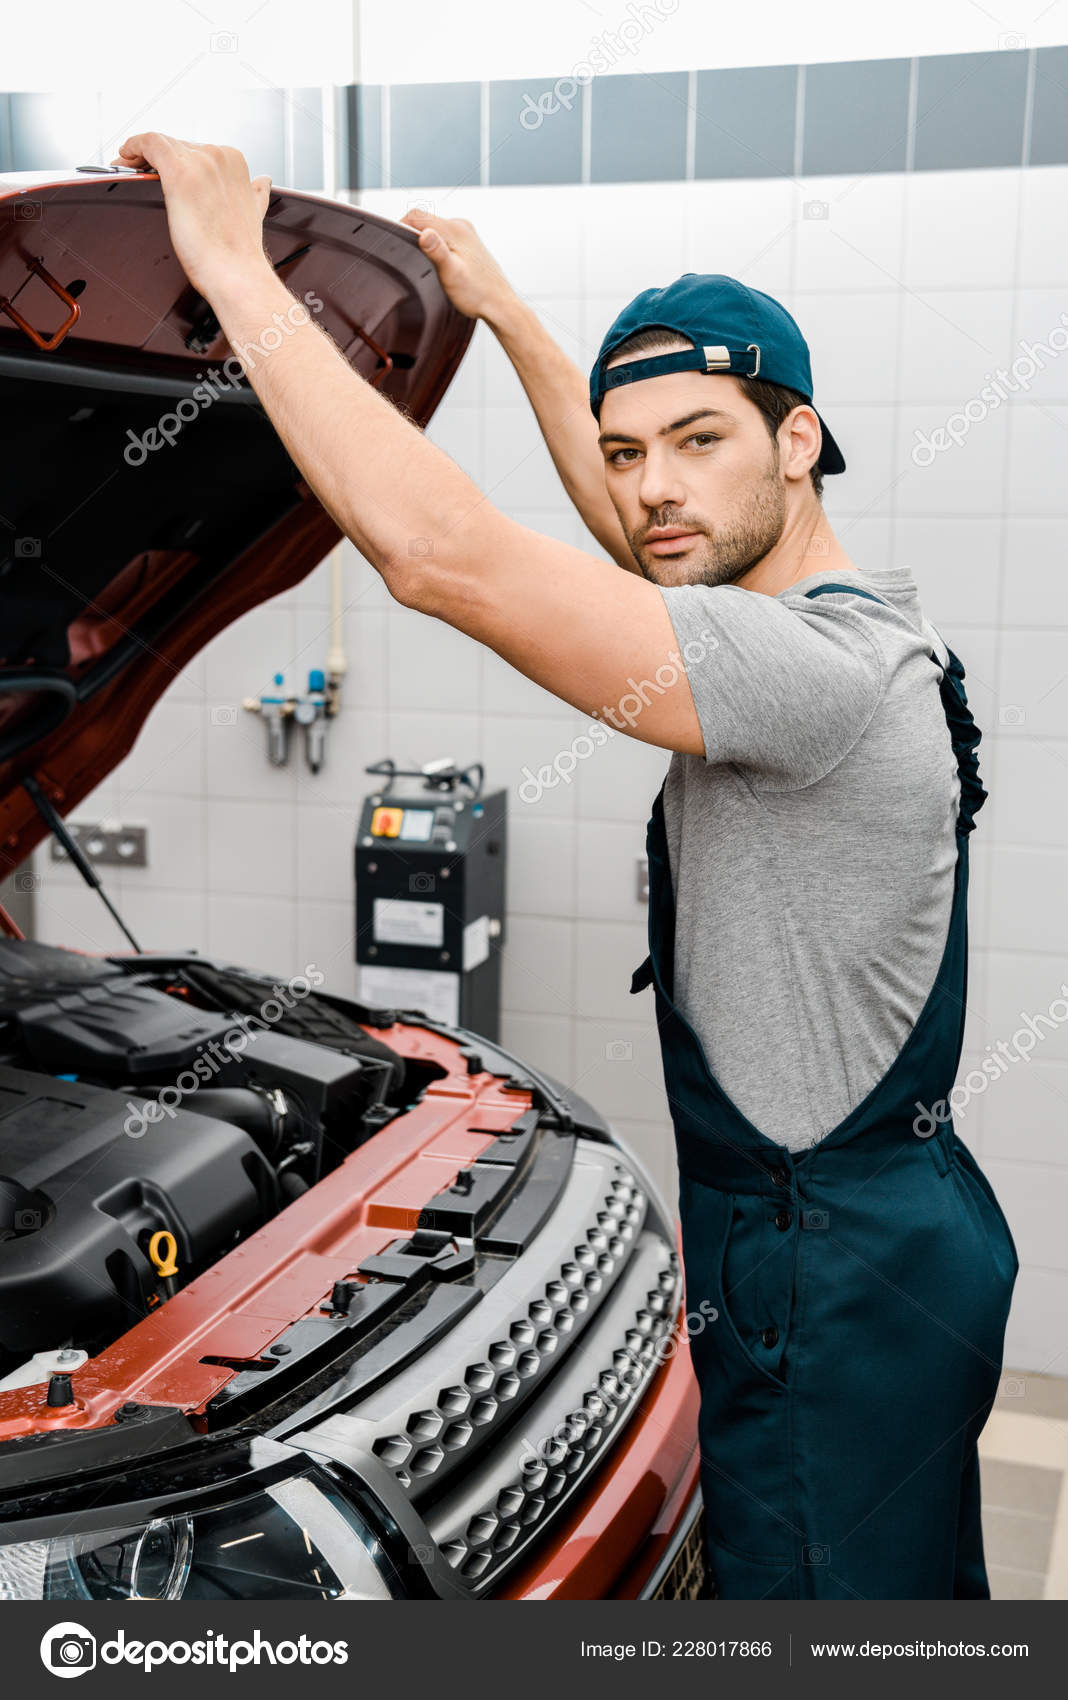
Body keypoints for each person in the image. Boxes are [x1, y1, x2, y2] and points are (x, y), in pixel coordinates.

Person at [113, 134, 1019, 1600]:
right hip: (888, 1234)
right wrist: (515, 316)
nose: (653, 488)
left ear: (800, 440)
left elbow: (441, 557)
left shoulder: (799, 676)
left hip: (822, 1278)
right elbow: (654, 537)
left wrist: (230, 267)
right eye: (625, 450)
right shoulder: (854, 621)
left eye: (701, 438)